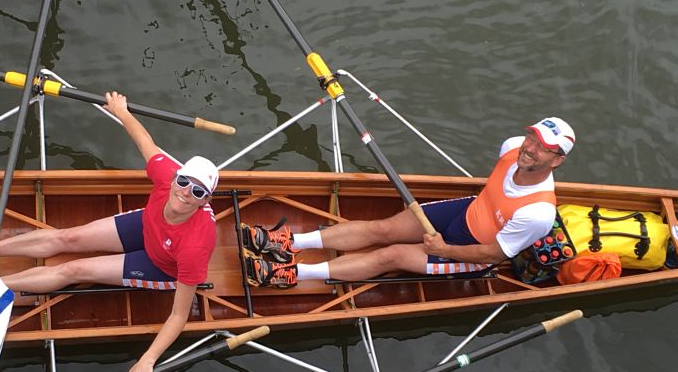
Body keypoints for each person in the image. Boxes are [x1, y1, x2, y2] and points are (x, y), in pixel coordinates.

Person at [0, 91, 219, 372]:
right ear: (175, 178)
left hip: (162, 266)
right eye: (184, 182)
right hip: (147, 225)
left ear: (205, 201)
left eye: (197, 192)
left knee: (74, 270)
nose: (186, 193)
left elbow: (178, 314)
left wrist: (148, 360)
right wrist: (121, 111)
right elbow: (145, 142)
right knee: (69, 236)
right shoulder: (166, 177)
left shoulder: (196, 246)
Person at [242, 117, 575, 286]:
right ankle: (288, 242)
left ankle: (292, 274)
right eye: (531, 137)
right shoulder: (512, 147)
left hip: (473, 251)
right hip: (468, 210)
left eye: (542, 146)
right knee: (383, 229)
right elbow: (514, 156)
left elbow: (494, 254)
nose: (529, 147)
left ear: (556, 160)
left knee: (392, 255)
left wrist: (446, 251)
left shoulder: (537, 213)